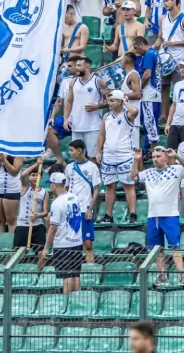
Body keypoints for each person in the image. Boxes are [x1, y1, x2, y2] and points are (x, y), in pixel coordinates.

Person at [132, 146, 184, 286]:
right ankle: (162, 276)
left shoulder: (176, 170)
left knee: (175, 247)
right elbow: (133, 177)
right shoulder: (148, 172)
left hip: (170, 215)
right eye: (153, 157)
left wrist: (176, 156)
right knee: (157, 249)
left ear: (165, 157)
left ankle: (181, 277)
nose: (155, 159)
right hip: (153, 216)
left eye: (158, 156)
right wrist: (136, 160)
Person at [97, 90, 140, 225]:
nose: (109, 103)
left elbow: (135, 111)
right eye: (108, 100)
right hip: (109, 156)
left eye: (112, 100)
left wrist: (125, 101)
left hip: (124, 154)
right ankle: (108, 215)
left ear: (119, 101)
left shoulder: (126, 115)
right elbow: (101, 135)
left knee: (128, 185)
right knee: (110, 186)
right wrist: (98, 151)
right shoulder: (106, 116)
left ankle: (133, 213)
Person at [40, 171, 84, 293]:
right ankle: (78, 303)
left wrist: (46, 247)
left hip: (63, 243)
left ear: (56, 184)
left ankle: (67, 303)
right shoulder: (74, 197)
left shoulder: (57, 203)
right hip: (77, 241)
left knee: (67, 277)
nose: (50, 186)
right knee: (76, 275)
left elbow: (53, 228)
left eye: (51, 183)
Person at [155, 0, 184, 118]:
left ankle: (177, 115)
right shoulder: (163, 18)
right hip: (164, 58)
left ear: (175, 1)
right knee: (164, 87)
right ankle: (164, 115)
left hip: (179, 60)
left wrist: (174, 43)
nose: (164, 3)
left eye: (167, 0)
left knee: (179, 88)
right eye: (164, 1)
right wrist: (151, 49)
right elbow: (160, 38)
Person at [64, 139, 101, 264]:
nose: (69, 153)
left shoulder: (92, 167)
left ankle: (90, 271)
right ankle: (73, 269)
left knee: (87, 244)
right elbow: (66, 188)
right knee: (71, 243)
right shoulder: (69, 167)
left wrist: (90, 208)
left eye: (71, 150)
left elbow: (96, 189)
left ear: (79, 150)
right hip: (71, 210)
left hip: (85, 209)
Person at [63, 56, 107, 157]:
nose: (76, 68)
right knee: (77, 157)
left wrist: (97, 106)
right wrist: (66, 119)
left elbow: (109, 100)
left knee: (93, 157)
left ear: (87, 67)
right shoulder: (73, 82)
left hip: (93, 126)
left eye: (79, 65)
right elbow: (69, 101)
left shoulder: (98, 82)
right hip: (76, 126)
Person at [132, 36, 162, 151]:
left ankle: (153, 150)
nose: (135, 50)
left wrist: (139, 88)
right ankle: (150, 148)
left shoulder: (148, 54)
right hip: (155, 92)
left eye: (135, 47)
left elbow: (147, 74)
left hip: (149, 93)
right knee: (151, 121)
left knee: (149, 122)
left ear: (141, 45)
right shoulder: (154, 53)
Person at [13, 160, 49, 253]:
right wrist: (36, 164)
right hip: (23, 224)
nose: (35, 177)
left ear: (41, 178)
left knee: (41, 252)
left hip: (37, 225)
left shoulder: (44, 192)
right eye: (33, 175)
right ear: (29, 177)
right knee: (18, 252)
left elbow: (45, 212)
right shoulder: (25, 187)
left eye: (37, 175)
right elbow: (23, 175)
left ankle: (41, 267)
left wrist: (37, 215)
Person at [0, 152, 23, 233]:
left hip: (12, 189)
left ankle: (13, 243)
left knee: (11, 220)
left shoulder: (18, 153)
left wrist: (4, 160)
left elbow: (15, 172)